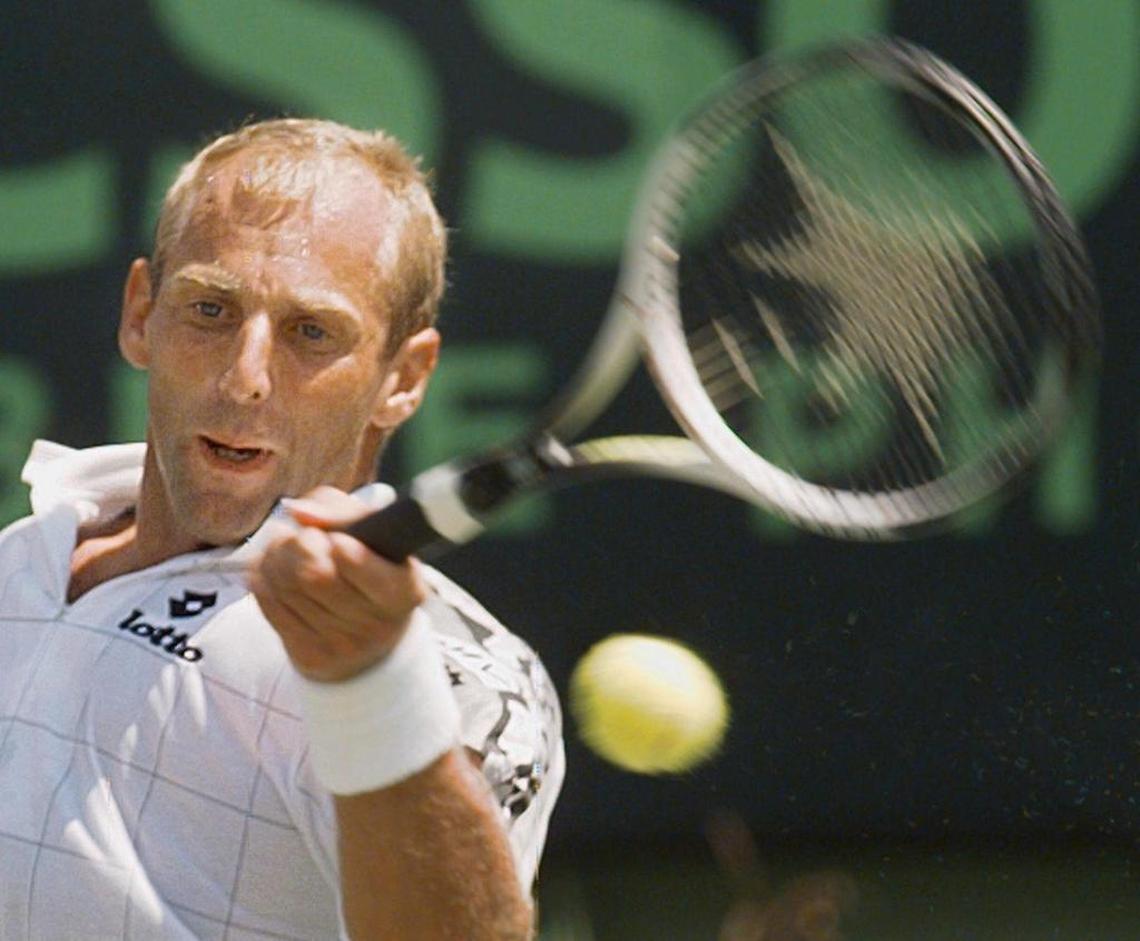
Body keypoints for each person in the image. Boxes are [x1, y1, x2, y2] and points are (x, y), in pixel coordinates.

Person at [0, 119, 564, 939]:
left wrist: (369, 682)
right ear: (140, 315)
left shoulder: (447, 670)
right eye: (210, 308)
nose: (246, 377)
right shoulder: (21, 559)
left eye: (311, 332)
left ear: (403, 379)